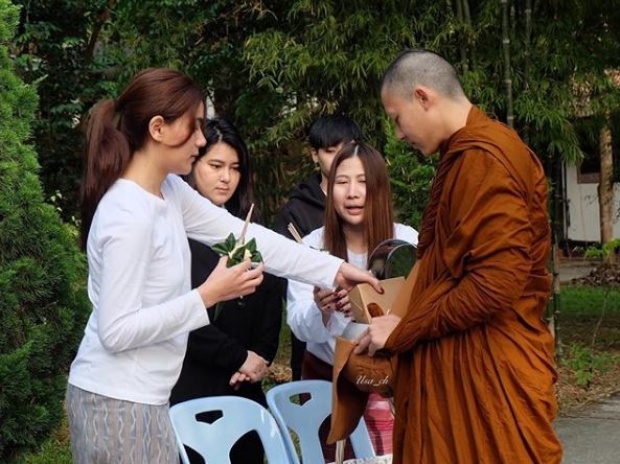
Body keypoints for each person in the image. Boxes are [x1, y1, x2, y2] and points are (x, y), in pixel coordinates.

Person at [66, 68, 380, 464]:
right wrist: (208, 295)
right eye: (194, 127)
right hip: (116, 402)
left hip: (146, 398)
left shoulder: (167, 190)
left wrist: (332, 270)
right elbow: (117, 330)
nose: (201, 140)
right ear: (158, 128)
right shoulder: (128, 214)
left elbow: (246, 235)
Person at [355, 49, 563, 463]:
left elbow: (495, 284)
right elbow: (445, 267)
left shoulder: (486, 158)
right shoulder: (463, 157)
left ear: (423, 96)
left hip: (491, 373)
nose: (397, 134)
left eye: (397, 118)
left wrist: (403, 329)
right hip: (460, 366)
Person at [286, 141, 418, 461]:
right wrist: (323, 310)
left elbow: (423, 311)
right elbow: (300, 326)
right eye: (342, 182)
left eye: (362, 182)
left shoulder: (407, 241)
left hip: (392, 381)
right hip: (328, 382)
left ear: (379, 189)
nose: (352, 193)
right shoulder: (311, 248)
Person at [170, 118, 283, 464]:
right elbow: (183, 317)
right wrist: (239, 358)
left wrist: (257, 359)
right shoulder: (175, 237)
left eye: (235, 168)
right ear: (193, 166)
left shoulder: (252, 231)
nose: (226, 178)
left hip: (244, 388)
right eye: (216, 166)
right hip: (192, 385)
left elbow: (272, 302)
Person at [274, 113, 362, 381]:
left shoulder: (391, 226)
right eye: (330, 151)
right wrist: (324, 298)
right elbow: (288, 283)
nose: (338, 159)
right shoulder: (296, 214)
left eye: (345, 149)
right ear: (314, 155)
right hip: (318, 353)